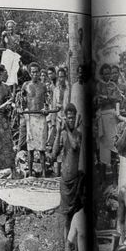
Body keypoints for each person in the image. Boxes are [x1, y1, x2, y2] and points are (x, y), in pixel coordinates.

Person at [53, 103, 82, 240]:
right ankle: (67, 248)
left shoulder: (77, 134)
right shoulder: (64, 134)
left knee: (76, 215)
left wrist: (69, 130)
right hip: (65, 179)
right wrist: (59, 132)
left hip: (76, 179)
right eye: (68, 118)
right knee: (66, 217)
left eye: (72, 118)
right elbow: (53, 154)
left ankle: (74, 245)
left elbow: (75, 146)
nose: (70, 120)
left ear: (75, 118)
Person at [95, 63, 122, 185]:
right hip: (101, 117)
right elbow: (97, 101)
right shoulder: (98, 86)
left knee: (114, 147)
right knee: (103, 151)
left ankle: (115, 181)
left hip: (112, 117)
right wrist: (107, 98)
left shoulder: (113, 85)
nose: (108, 76)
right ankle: (102, 181)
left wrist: (107, 98)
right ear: (101, 74)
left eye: (109, 73)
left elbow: (117, 99)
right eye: (105, 73)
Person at [21, 62, 48, 177]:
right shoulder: (25, 85)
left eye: (36, 72)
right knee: (30, 147)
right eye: (32, 72)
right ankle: (31, 173)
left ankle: (43, 172)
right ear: (29, 73)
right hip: (30, 117)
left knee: (41, 147)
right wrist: (21, 109)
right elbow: (21, 101)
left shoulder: (43, 86)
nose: (35, 74)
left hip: (41, 117)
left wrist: (46, 109)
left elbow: (47, 101)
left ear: (39, 72)